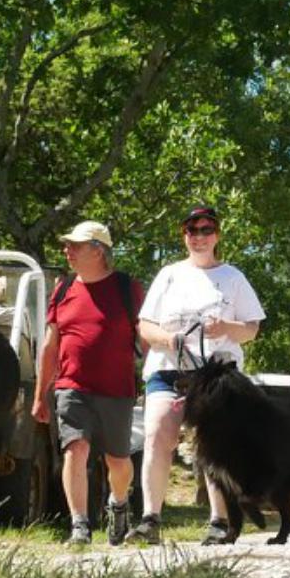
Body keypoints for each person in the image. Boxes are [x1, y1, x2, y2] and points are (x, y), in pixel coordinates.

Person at [136, 204, 264, 547]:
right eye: (193, 231)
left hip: (216, 373)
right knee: (157, 436)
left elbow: (252, 329)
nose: (200, 237)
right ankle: (150, 518)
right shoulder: (169, 274)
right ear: (185, 236)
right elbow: (145, 325)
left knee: (214, 444)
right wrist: (166, 338)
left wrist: (225, 327)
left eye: (207, 230)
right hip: (169, 369)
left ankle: (220, 520)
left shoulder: (233, 278)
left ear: (217, 235)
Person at [32, 220, 142, 547]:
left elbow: (145, 335)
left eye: (75, 245)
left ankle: (118, 504)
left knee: (117, 461)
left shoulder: (127, 288)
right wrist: (41, 396)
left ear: (99, 250)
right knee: (75, 450)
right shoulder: (63, 289)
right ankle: (79, 526)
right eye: (67, 245)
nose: (67, 250)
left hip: (117, 390)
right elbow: (51, 347)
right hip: (71, 387)